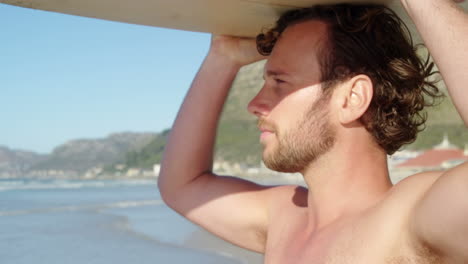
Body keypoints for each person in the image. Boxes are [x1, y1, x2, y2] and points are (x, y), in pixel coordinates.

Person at [159, 0, 468, 262]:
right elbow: (181, 186)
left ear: (352, 98)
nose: (254, 104)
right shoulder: (284, 218)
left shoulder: (411, 219)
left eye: (279, 82)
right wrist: (223, 58)